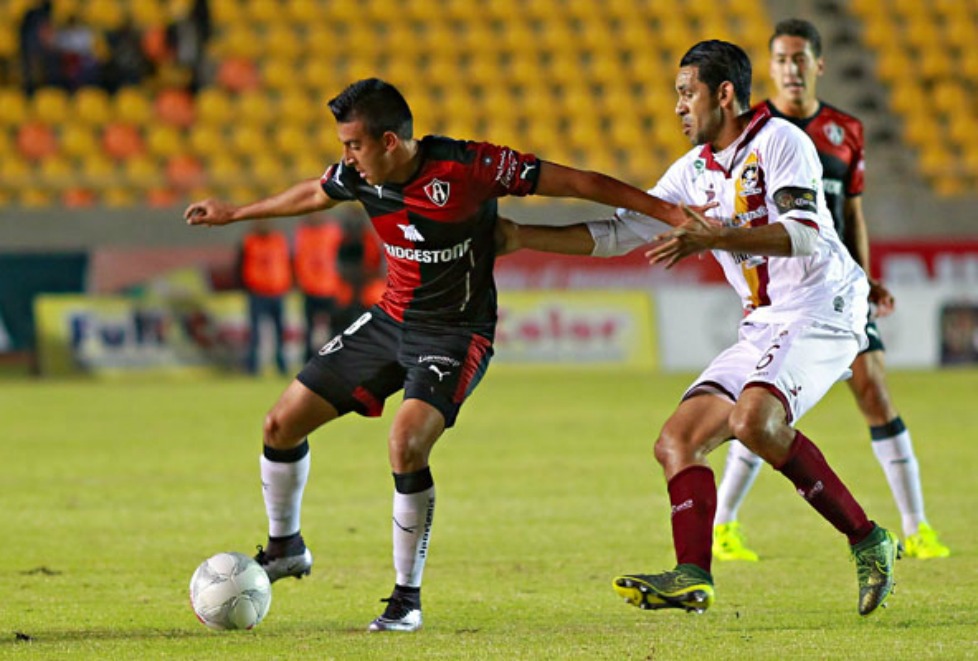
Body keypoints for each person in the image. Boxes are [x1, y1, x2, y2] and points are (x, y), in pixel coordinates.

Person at [183, 78, 694, 632]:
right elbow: (313, 192)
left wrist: (668, 213)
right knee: (280, 424)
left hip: (455, 333)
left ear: (390, 142)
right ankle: (286, 546)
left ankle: (407, 598)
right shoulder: (358, 175)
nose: (345, 157)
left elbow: (580, 181)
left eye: (353, 145)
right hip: (390, 320)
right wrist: (237, 213)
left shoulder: (471, 167)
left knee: (406, 443)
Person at [501, 40, 899, 616]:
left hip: (824, 305)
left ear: (725, 94)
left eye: (687, 94)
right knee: (677, 441)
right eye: (677, 96)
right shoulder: (691, 173)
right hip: (763, 322)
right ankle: (693, 574)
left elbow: (808, 232)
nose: (678, 107)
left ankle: (868, 540)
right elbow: (619, 232)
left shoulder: (781, 141)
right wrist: (523, 237)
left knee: (754, 420)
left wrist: (715, 238)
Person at [711, 18, 949, 563]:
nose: (791, 69)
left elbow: (851, 214)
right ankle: (724, 524)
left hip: (839, 290)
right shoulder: (755, 134)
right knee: (764, 408)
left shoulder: (846, 131)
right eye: (781, 59)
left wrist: (868, 279)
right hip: (781, 297)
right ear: (768, 69)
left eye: (800, 59)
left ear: (818, 65)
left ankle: (917, 527)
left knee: (874, 392)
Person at [293, 212, 383, 362]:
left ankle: (362, 359)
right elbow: (340, 266)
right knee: (340, 330)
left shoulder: (366, 241)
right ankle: (335, 359)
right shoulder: (344, 240)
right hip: (346, 294)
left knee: (361, 330)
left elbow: (373, 268)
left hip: (363, 295)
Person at [238, 219, 292, 376]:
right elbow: (240, 266)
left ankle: (282, 366)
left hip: (277, 292)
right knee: (255, 333)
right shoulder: (249, 242)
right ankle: (253, 367)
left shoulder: (279, 240)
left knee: (280, 331)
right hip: (257, 292)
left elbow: (287, 263)